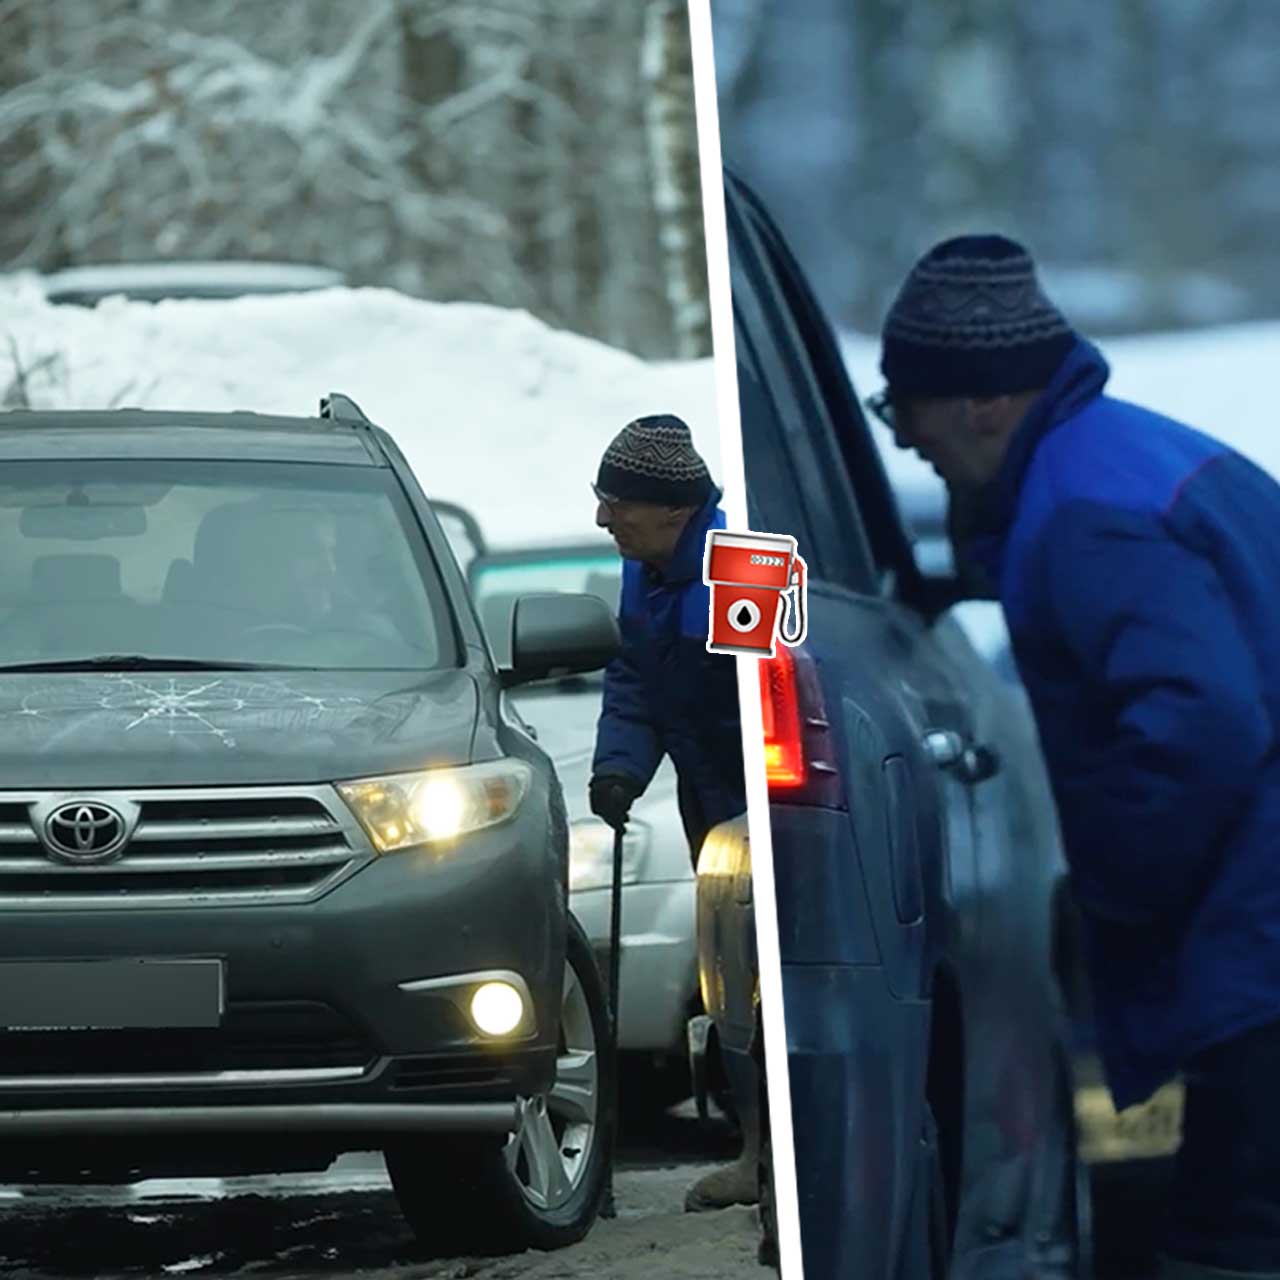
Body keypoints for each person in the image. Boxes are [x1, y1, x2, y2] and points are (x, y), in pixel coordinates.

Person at [870, 234, 1280, 1280]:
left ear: (980, 402)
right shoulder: (1125, 456)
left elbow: (1199, 722)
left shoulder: (1085, 514)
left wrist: (1121, 892)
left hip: (1262, 934)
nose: (901, 431)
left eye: (903, 401)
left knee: (1226, 1242)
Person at [588, 413, 756, 1214]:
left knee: (774, 981)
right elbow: (633, 680)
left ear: (674, 511)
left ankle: (780, 1158)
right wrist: (620, 767)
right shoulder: (644, 572)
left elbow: (775, 691)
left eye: (615, 501)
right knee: (731, 985)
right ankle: (756, 1155)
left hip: (766, 811)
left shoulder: (738, 570)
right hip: (708, 809)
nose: (602, 517)